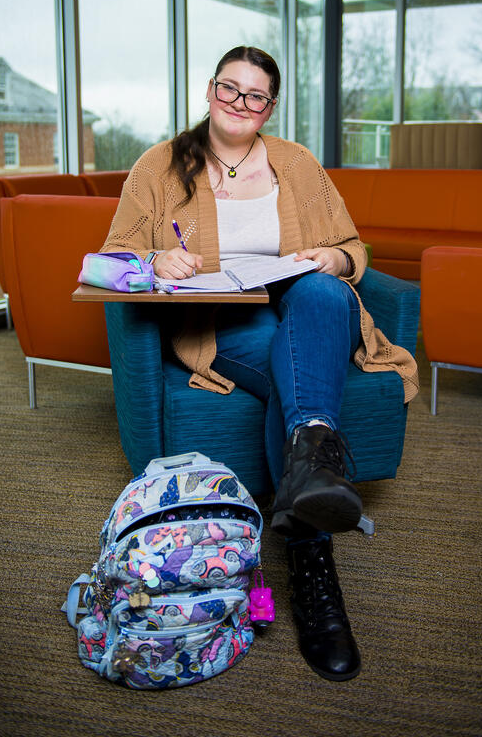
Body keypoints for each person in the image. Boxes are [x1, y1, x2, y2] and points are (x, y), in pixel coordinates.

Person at [101, 45, 418, 682]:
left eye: (256, 95)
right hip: (223, 323)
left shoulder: (296, 163)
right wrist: (154, 262)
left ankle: (308, 460)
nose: (240, 103)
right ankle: (314, 569)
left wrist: (335, 261)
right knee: (298, 377)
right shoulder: (160, 165)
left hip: (303, 308)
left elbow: (354, 246)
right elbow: (111, 258)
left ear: (270, 105)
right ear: (210, 88)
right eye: (230, 88)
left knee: (325, 291)